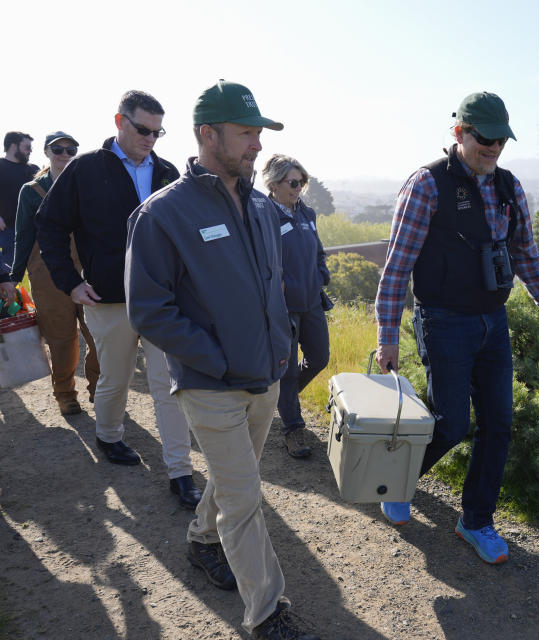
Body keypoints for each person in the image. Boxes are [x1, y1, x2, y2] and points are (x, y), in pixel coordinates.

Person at [125, 80, 320, 640]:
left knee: (239, 478)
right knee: (245, 496)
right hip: (209, 383)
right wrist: (213, 357)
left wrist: (280, 346)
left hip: (263, 376)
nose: (256, 145)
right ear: (208, 135)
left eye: (259, 133)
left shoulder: (261, 208)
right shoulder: (163, 215)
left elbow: (271, 285)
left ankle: (201, 541)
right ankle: (267, 613)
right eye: (246, 133)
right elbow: (149, 310)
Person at [374, 91, 539, 564]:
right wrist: (387, 334)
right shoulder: (426, 186)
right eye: (485, 138)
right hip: (443, 321)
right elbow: (398, 266)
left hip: (492, 322)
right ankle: (395, 482)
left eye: (502, 139)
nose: (495, 147)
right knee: (452, 422)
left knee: (499, 423)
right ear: (459, 132)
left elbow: (525, 253)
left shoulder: (509, 187)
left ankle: (476, 520)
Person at [34, 91, 201, 509]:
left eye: (158, 132)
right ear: (119, 121)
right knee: (115, 378)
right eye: (143, 129)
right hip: (107, 298)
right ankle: (109, 437)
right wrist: (70, 283)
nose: (151, 139)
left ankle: (180, 472)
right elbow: (50, 226)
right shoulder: (85, 169)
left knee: (169, 386)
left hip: (164, 300)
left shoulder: (166, 171)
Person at [0, 132, 100, 415]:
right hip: (47, 273)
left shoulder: (86, 185)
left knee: (97, 334)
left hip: (88, 270)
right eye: (58, 149)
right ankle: (65, 394)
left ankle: (98, 389)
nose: (65, 154)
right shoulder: (31, 191)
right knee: (61, 339)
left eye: (71, 149)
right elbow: (23, 235)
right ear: (47, 152)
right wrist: (13, 276)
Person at [262, 154, 334, 459]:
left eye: (301, 182)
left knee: (319, 358)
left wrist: (321, 275)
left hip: (311, 302)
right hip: (284, 309)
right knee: (288, 371)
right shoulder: (264, 216)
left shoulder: (307, 214)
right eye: (293, 182)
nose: (299, 187)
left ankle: (281, 400)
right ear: (274, 183)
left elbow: (318, 252)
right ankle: (293, 429)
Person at [0, 132, 38, 270]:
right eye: (27, 147)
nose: (30, 151)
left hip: (36, 230)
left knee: (40, 271)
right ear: (13, 146)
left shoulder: (34, 169)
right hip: (9, 230)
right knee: (8, 274)